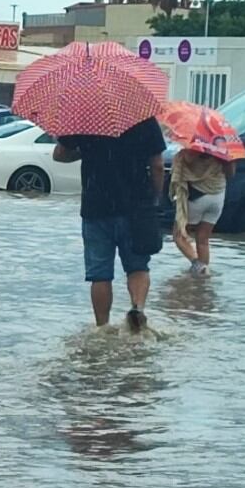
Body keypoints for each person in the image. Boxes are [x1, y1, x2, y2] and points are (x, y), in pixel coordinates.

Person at [53, 117, 167, 332]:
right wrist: (155, 197)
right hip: (136, 207)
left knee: (100, 274)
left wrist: (85, 151)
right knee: (138, 266)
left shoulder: (84, 117)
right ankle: (138, 308)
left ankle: (102, 328)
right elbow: (158, 165)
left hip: (96, 207)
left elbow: (60, 155)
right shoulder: (143, 119)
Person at [170, 149, 235, 276]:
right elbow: (230, 173)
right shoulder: (224, 148)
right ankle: (202, 280)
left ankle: (198, 265)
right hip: (217, 196)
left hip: (197, 195)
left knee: (179, 235)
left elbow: (185, 161)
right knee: (203, 239)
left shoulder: (195, 146)